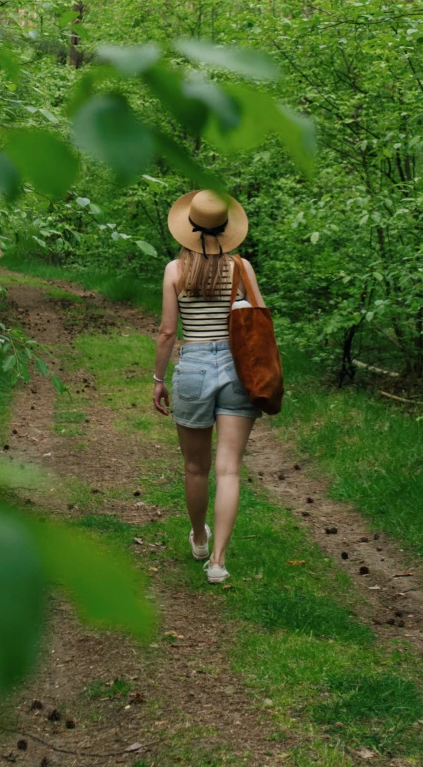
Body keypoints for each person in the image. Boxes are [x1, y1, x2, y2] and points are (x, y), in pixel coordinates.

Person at [152, 190, 265, 584]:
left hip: (194, 366)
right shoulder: (241, 268)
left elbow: (168, 332)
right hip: (237, 368)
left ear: (189, 226)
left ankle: (200, 536)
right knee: (229, 469)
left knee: (195, 467)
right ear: (226, 227)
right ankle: (217, 561)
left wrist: (157, 379)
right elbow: (260, 321)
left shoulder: (174, 270)